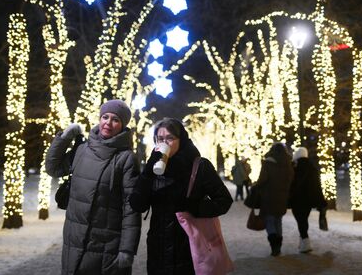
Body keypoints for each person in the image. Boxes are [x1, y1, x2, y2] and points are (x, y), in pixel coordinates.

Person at [45, 99, 141, 275]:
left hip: (106, 244)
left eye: (115, 120)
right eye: (105, 117)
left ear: (123, 125)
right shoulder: (82, 149)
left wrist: (127, 249)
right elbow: (53, 168)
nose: (108, 123)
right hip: (74, 239)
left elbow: (131, 207)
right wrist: (64, 138)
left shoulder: (126, 158)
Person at [129, 117, 233, 274]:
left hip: (190, 247)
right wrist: (148, 171)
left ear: (181, 140)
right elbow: (137, 204)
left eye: (170, 138)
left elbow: (224, 200)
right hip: (159, 248)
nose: (165, 143)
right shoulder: (153, 168)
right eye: (160, 139)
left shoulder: (199, 166)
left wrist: (194, 207)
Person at [256, 142, 294, 256]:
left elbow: (262, 179)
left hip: (269, 197)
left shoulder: (268, 163)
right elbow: (291, 179)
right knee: (278, 221)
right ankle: (278, 246)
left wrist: (256, 186)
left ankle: (274, 246)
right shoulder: (288, 164)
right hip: (282, 197)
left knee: (270, 221)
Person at [288, 147, 327, 253]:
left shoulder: (294, 168)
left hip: (297, 199)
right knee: (304, 219)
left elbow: (291, 184)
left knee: (300, 220)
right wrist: (320, 200)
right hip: (308, 201)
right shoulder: (312, 168)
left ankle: (305, 242)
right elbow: (316, 186)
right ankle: (303, 242)